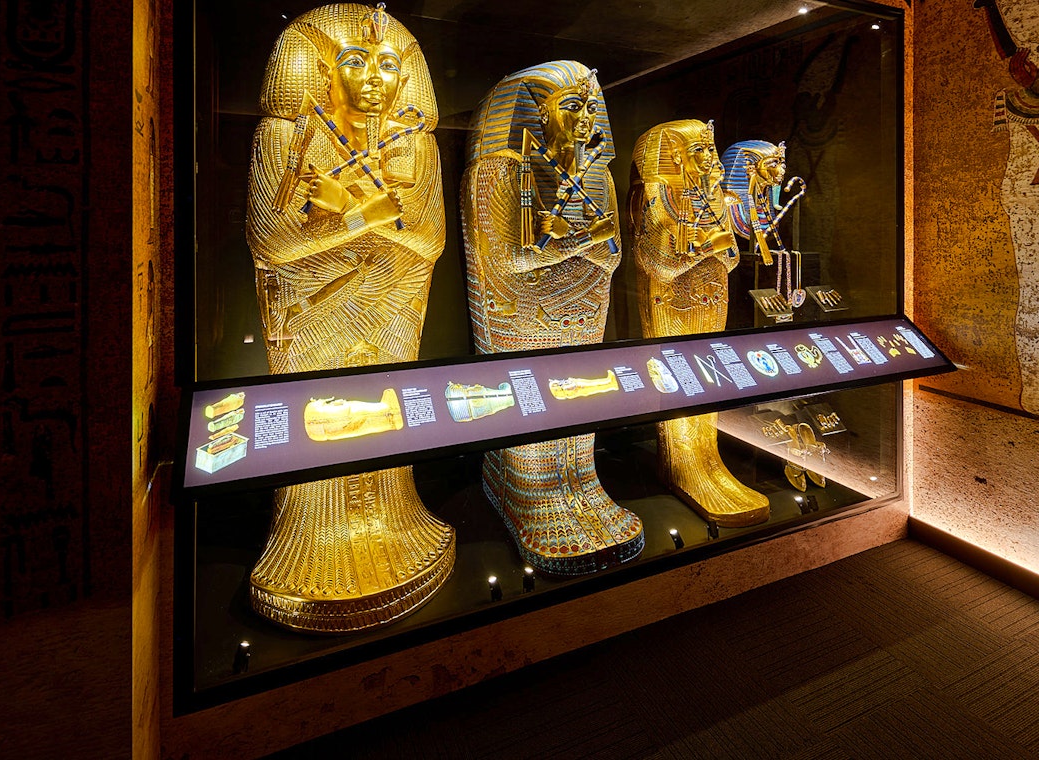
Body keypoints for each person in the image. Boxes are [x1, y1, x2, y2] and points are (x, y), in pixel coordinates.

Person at [244, 3, 453, 632]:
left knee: (384, 408)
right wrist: (374, 216)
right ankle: (310, 533)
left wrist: (348, 209)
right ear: (320, 72)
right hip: (314, 308)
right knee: (323, 418)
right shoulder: (289, 136)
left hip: (391, 301)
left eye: (388, 65)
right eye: (355, 61)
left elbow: (431, 237)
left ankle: (395, 513)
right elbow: (270, 238)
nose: (374, 78)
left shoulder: (412, 142)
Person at [461, 61, 644, 575]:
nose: (585, 117)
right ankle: (526, 489)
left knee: (582, 395)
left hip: (585, 304)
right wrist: (577, 243)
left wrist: (566, 242)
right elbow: (510, 260)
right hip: (522, 308)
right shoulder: (500, 170)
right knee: (533, 400)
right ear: (535, 114)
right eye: (570, 106)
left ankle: (582, 481)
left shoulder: (598, 175)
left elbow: (611, 255)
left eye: (590, 107)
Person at [629, 119, 770, 527]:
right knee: (678, 382)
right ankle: (682, 463)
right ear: (675, 156)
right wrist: (705, 248)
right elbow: (657, 264)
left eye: (711, 150)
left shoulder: (714, 197)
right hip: (670, 303)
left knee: (708, 380)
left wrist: (709, 248)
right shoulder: (657, 194)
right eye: (701, 151)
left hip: (711, 297)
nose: (712, 158)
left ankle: (708, 459)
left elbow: (731, 259)